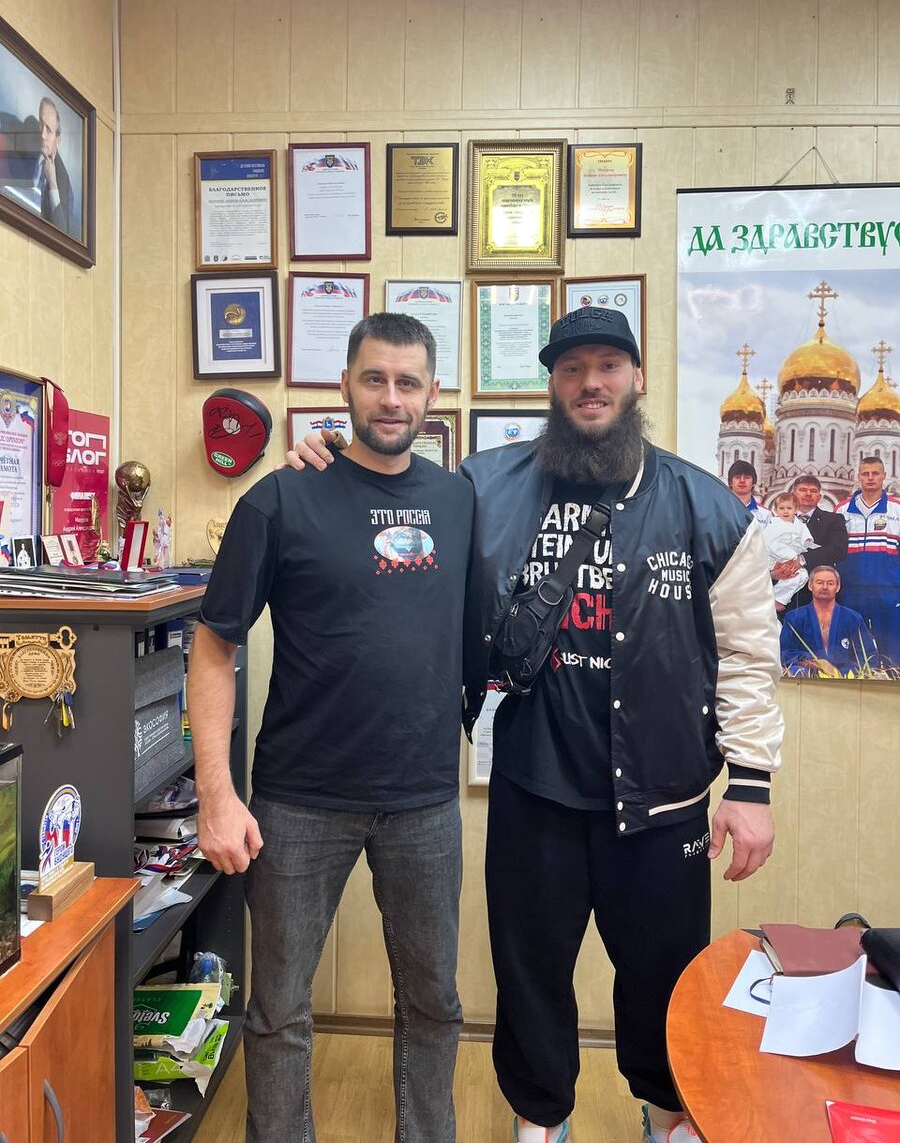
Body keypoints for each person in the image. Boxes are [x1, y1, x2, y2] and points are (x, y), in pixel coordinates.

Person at [289, 305, 784, 1143]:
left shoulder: (706, 507)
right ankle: (539, 1123)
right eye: (571, 369)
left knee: (665, 983)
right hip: (534, 790)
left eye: (608, 366)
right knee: (530, 982)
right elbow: (394, 496)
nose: (591, 383)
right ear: (551, 384)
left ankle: (668, 1120)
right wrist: (329, 461)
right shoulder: (484, 487)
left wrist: (752, 784)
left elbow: (746, 654)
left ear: (636, 377)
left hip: (663, 804)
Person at [188, 313, 474, 1143]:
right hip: (298, 802)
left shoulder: (458, 501)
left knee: (435, 1002)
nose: (391, 398)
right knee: (278, 1008)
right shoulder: (280, 498)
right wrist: (216, 795)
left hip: (424, 801)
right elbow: (213, 646)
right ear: (344, 385)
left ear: (433, 394)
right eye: (375, 379)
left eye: (409, 382)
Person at [835, 457, 900, 667]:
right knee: (852, 647)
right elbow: (834, 550)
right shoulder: (842, 509)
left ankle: (893, 682)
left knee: (892, 649)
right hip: (851, 590)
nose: (870, 478)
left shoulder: (897, 509)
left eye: (875, 473)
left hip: (889, 590)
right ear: (859, 477)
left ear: (884, 476)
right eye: (865, 473)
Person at [781, 565, 877, 676]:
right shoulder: (795, 617)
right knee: (795, 671)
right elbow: (785, 653)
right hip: (808, 677)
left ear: (838, 587)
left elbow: (869, 657)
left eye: (830, 583)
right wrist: (817, 663)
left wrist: (842, 672)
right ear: (810, 585)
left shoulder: (853, 618)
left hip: (846, 678)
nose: (825, 587)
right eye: (819, 582)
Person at [773, 474, 848, 612]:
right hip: (782, 593)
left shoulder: (833, 520)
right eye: (802, 490)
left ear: (819, 497)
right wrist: (774, 571)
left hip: (817, 595)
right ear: (793, 495)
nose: (808, 494)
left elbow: (838, 550)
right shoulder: (778, 521)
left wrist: (802, 560)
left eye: (813, 491)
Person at [762, 492, 816, 611]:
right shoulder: (773, 524)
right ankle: (776, 599)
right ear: (776, 510)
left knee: (803, 576)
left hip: (794, 557)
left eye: (789, 508)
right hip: (775, 557)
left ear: (796, 510)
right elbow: (770, 544)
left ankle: (779, 598)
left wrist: (807, 540)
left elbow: (806, 537)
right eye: (782, 508)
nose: (785, 511)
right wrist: (791, 556)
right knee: (790, 574)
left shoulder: (799, 524)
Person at [35, 97, 74, 234]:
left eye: (49, 130)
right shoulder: (28, 154)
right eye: (41, 124)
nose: (42, 134)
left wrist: (52, 183)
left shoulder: (63, 179)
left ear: (57, 140)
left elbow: (62, 231)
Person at [726, 458, 771, 526]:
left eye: (747, 477)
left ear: (753, 483)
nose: (742, 481)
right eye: (737, 477)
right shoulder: (720, 510)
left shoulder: (765, 514)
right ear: (730, 482)